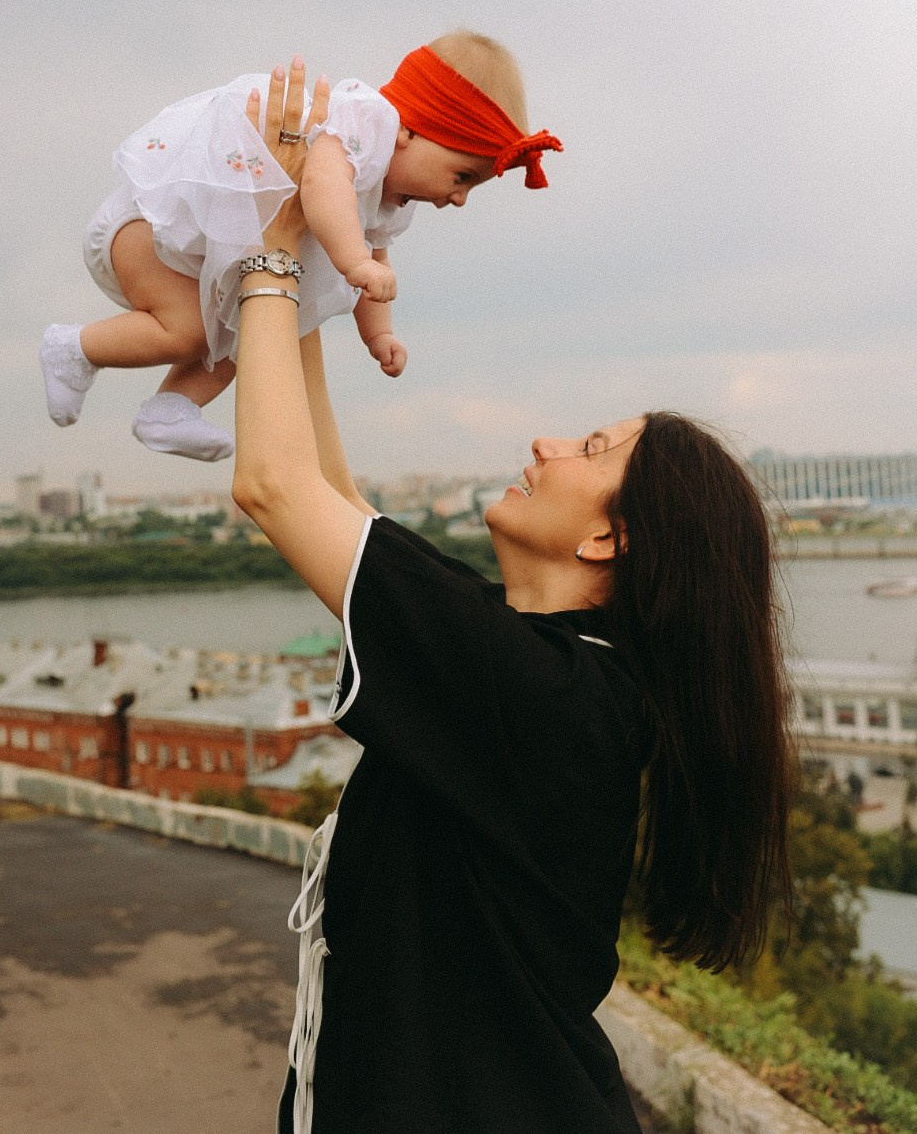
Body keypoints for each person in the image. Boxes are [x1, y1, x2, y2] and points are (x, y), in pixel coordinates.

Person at [230, 62, 794, 1134]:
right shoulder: (546, 668)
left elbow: (273, 484)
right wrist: (305, 255)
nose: (546, 442)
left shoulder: (536, 691)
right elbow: (334, 494)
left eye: (590, 448)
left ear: (608, 535)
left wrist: (264, 249)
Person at [39, 32, 562, 461]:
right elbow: (322, 186)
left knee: (257, 330)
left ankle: (171, 409)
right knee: (190, 331)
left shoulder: (392, 199)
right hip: (150, 228)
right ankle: (73, 347)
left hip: (199, 261)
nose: (460, 198)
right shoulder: (365, 124)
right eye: (462, 175)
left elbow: (375, 260)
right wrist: (353, 260)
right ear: (410, 129)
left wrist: (380, 335)